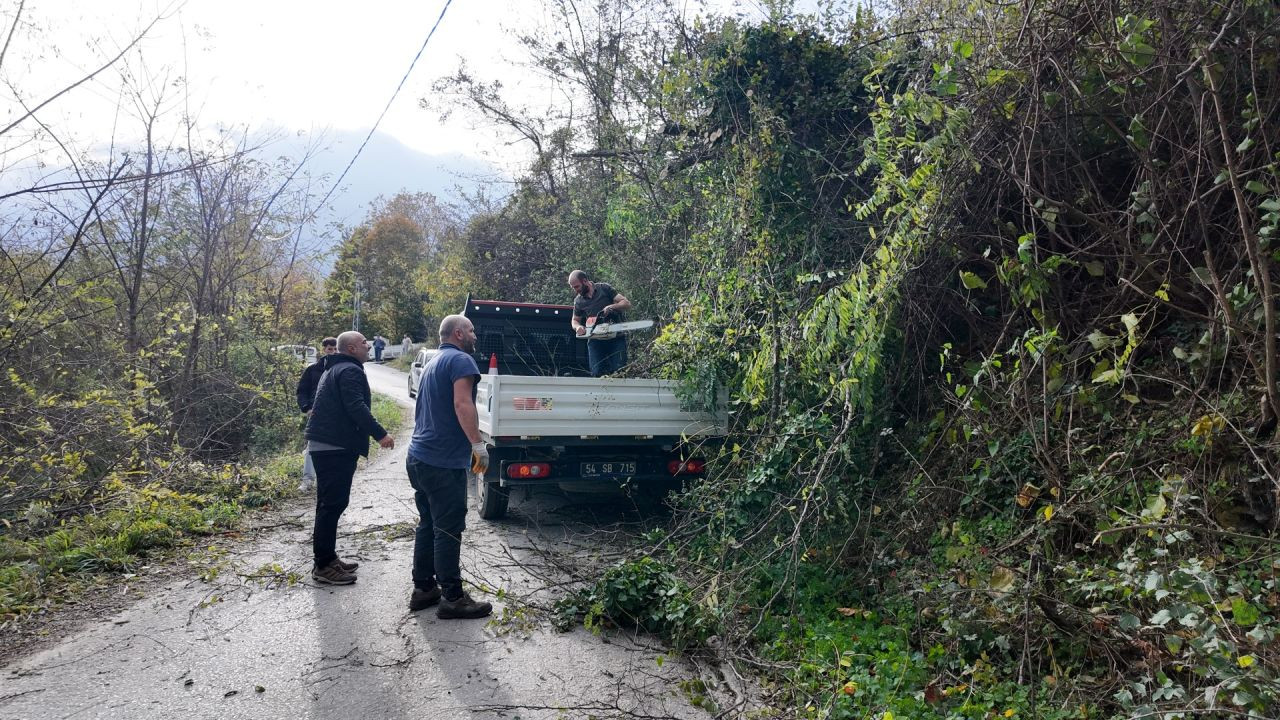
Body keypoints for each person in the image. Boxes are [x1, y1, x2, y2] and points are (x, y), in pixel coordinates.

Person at [404, 314, 493, 619]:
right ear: (458, 333)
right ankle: (452, 597)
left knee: (428, 523)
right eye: (471, 331)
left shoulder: (432, 363)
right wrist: (478, 444)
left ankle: (424, 588)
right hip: (441, 463)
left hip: (418, 457)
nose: (475, 336)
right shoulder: (461, 361)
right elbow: (462, 404)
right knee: (448, 528)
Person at [304, 331, 395, 585]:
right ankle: (322, 566)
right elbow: (356, 406)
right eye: (365, 343)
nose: (369, 346)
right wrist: (381, 435)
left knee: (329, 504)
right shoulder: (350, 371)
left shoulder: (336, 368)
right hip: (333, 447)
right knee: (331, 505)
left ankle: (328, 557)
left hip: (328, 446)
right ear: (353, 348)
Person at [568, 269, 632, 377]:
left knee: (619, 371)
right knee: (597, 372)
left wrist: (611, 307)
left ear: (584, 281)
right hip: (595, 340)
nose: (575, 290)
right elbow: (575, 320)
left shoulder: (604, 289)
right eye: (573, 287)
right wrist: (578, 327)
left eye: (577, 286)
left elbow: (626, 303)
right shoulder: (578, 301)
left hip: (616, 337)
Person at [294, 337, 338, 492]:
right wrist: (306, 408)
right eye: (329, 349)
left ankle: (329, 480)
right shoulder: (312, 369)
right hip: (315, 414)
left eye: (335, 349)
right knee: (312, 446)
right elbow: (302, 391)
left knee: (335, 447)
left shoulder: (341, 368)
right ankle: (307, 480)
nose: (332, 352)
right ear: (323, 349)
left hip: (335, 416)